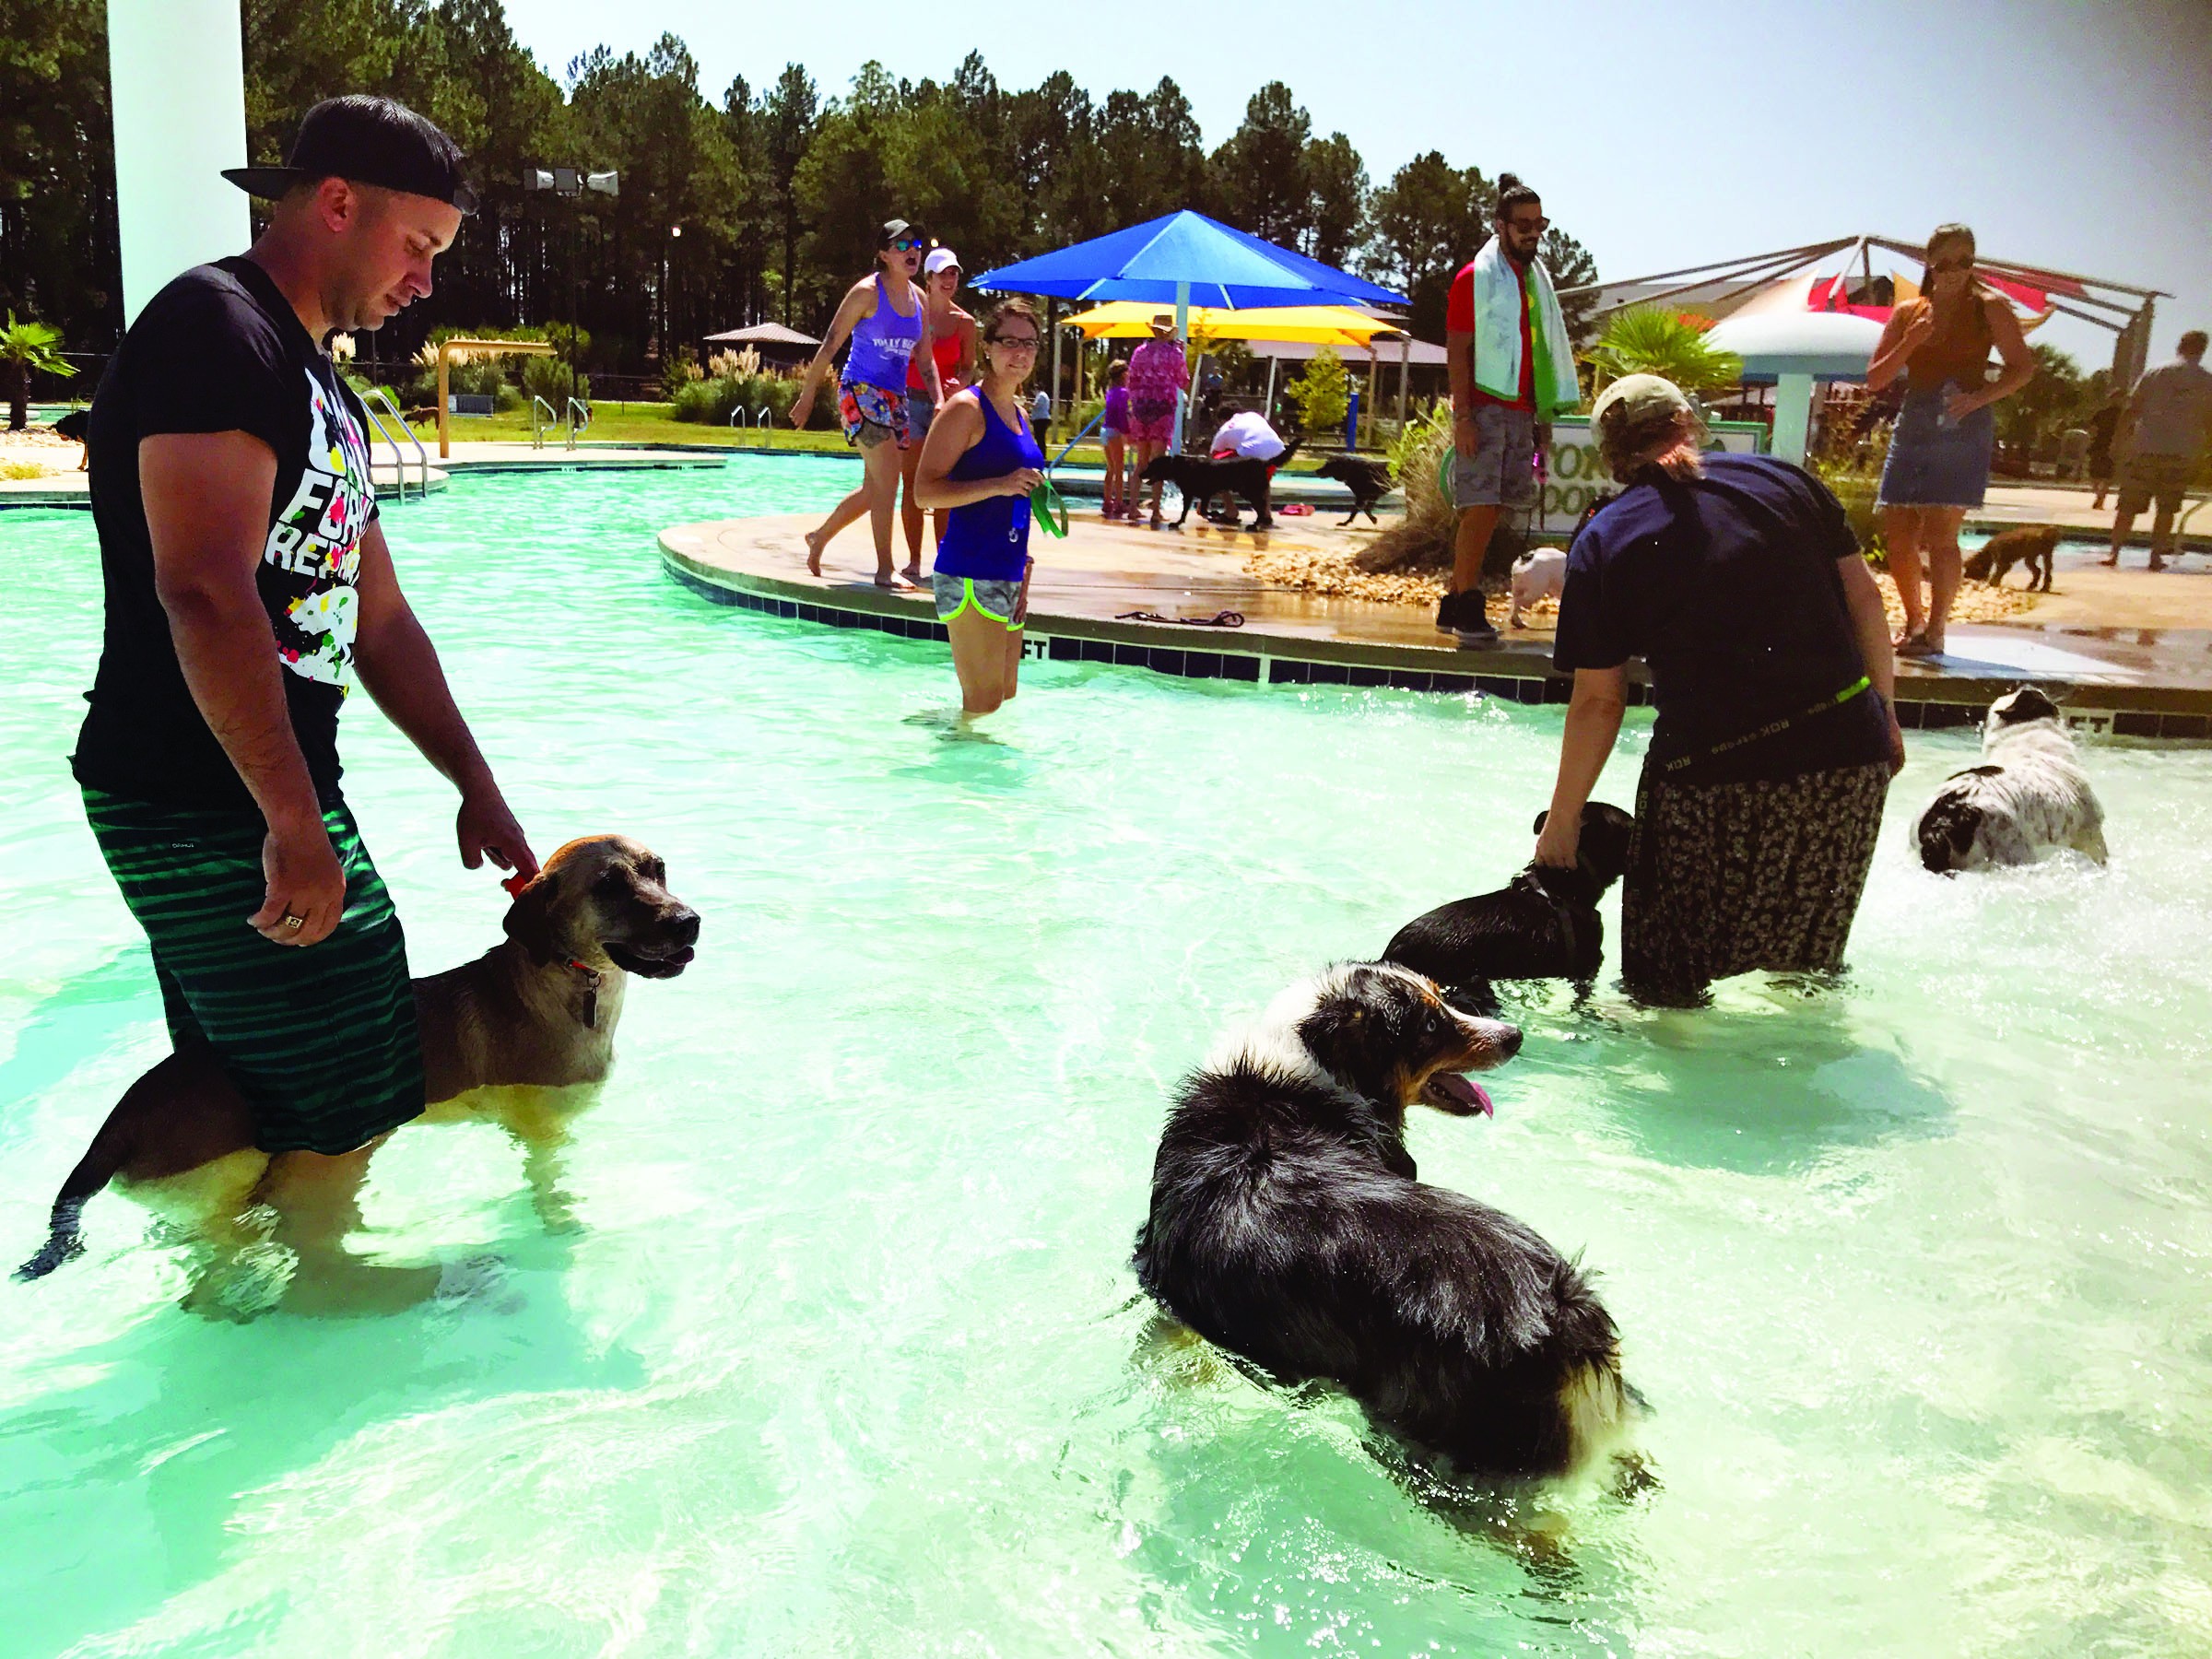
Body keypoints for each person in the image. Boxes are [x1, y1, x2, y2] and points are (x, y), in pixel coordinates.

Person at [70, 95, 537, 1298]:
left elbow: (375, 618)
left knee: (263, 1071)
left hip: (255, 786)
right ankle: (323, 1285)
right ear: (337, 205)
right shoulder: (213, 333)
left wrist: (473, 783)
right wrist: (288, 819)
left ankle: (233, 1285)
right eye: (418, 247)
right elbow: (206, 595)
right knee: (358, 1052)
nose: (425, 282)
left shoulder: (316, 380)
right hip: (197, 790)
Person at [1535, 374, 1903, 1008]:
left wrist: (1562, 823)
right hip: (1846, 758)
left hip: (1711, 776)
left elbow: (1600, 700)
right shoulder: (1788, 482)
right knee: (1806, 976)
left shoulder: (1605, 537)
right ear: (1691, 420)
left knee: (1663, 985)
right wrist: (1885, 717)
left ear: (1613, 455)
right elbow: (1866, 600)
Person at [1864, 223, 2035, 656]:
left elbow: (2021, 368)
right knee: (1898, 532)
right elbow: (1875, 379)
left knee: (1942, 533)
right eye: (1944, 262)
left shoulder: (1990, 308)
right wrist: (1910, 341)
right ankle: (1914, 622)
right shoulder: (1909, 313)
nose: (1954, 270)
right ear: (1930, 264)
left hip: (1963, 423)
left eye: (1965, 261)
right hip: (1915, 420)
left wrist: (1979, 398)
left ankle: (1937, 629)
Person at [1442, 172, 1582, 647]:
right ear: (1500, 225)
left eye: (1538, 223)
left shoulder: (1534, 284)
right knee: (1478, 509)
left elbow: (1538, 356)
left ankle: (1450, 598)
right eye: (1522, 223)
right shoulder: (1474, 280)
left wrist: (1541, 420)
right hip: (1483, 408)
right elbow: (1457, 349)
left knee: (1495, 507)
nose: (1531, 232)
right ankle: (1467, 607)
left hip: (1521, 411)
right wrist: (1463, 417)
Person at [913, 300, 1048, 718]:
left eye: (1029, 344)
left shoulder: (1020, 415)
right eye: (1009, 342)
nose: (1020, 353)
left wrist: (1022, 560)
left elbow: (1015, 498)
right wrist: (1001, 484)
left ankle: (945, 742)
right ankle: (952, 780)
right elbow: (924, 493)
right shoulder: (966, 410)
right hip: (969, 570)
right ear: (988, 347)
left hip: (1007, 566)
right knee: (983, 701)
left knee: (1004, 694)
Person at [790, 218, 941, 589]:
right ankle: (884, 568)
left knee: (876, 487)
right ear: (883, 255)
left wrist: (939, 400)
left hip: (895, 398)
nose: (912, 252)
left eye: (915, 245)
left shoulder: (920, 300)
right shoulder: (866, 293)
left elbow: (925, 359)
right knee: (889, 478)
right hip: (860, 392)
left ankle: (819, 537)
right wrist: (807, 396)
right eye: (901, 246)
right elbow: (829, 345)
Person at [897, 246, 978, 584]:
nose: (949, 280)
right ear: (927, 279)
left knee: (943, 486)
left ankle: (942, 562)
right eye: (942, 274)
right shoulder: (912, 313)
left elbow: (969, 365)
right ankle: (914, 561)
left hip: (946, 409)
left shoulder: (965, 323)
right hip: (910, 403)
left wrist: (958, 386)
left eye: (953, 273)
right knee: (913, 484)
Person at [2100, 330, 2212, 571]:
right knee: (2167, 507)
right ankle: (2155, 557)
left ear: (2179, 345)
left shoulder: (2155, 372)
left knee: (2128, 505)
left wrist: (2118, 440)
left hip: (2146, 447)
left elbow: (2132, 408)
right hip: (2182, 451)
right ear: (2203, 349)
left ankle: (2114, 553)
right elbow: (2209, 420)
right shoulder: (2206, 380)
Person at [1124, 313, 1190, 526]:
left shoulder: (1139, 352)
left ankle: (1133, 507)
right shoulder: (1174, 354)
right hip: (1162, 410)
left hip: (1141, 409)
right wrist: (1181, 353)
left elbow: (1131, 381)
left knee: (1140, 462)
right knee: (1158, 462)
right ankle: (1155, 511)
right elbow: (1183, 381)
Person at [1100, 359, 1132, 521]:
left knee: (1111, 468)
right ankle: (1119, 501)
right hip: (1114, 432)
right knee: (1119, 469)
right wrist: (1127, 431)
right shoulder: (1123, 393)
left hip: (1105, 430)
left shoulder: (1110, 391)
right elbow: (1121, 415)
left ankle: (1107, 500)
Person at [2086, 385, 2127, 510]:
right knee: (2095, 474)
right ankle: (2099, 495)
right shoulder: (2102, 413)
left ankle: (2101, 497)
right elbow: (2092, 428)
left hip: (2113, 445)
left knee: (2108, 475)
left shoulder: (2124, 415)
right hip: (2100, 444)